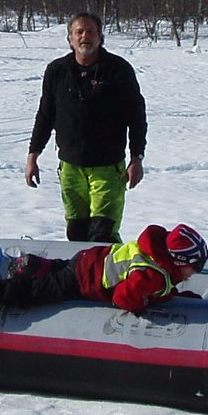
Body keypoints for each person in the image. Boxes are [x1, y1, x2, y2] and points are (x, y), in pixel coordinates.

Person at [25, 12, 147, 242]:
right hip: (70, 167)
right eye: (79, 32)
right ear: (70, 38)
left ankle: (114, 266)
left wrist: (136, 157)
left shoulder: (118, 70)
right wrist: (33, 157)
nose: (85, 37)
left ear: (100, 37)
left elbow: (136, 117)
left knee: (103, 234)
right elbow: (45, 116)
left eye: (91, 31)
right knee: (76, 233)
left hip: (107, 168)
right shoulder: (57, 71)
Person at [0, 223, 207, 316]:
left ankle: (41, 266)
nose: (195, 273)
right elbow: (123, 296)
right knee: (38, 291)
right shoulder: (152, 276)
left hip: (90, 259)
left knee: (61, 270)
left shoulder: (154, 251)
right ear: (179, 262)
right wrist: (144, 305)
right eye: (194, 268)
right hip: (85, 279)